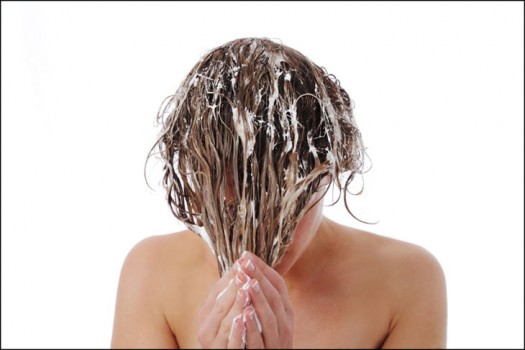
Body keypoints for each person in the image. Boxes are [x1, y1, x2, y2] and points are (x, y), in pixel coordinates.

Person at [111, 38, 447, 348]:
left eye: (284, 211)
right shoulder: (153, 272)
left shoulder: (406, 281)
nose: (254, 236)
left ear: (328, 173)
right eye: (231, 210)